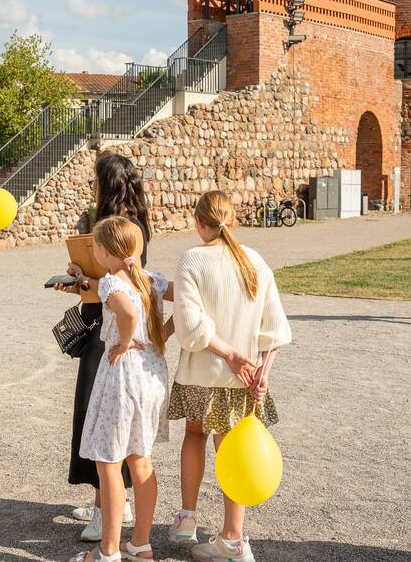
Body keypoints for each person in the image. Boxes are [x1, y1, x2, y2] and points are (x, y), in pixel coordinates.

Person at [167, 190, 291, 562]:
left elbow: (190, 326)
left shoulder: (193, 259)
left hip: (202, 371)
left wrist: (229, 353)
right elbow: (276, 326)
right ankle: (232, 536)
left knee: (195, 434)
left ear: (199, 223)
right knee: (232, 449)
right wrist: (261, 372)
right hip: (244, 378)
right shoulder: (255, 260)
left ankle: (191, 519)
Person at [52, 153, 148, 541]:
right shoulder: (119, 221)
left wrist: (84, 286)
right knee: (98, 416)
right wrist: (79, 276)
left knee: (103, 419)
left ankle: (106, 510)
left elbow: (127, 287)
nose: (91, 186)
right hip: (101, 323)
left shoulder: (125, 226)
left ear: (107, 182)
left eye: (95, 179)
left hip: (111, 337)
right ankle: (109, 502)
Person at [69, 216, 170, 562]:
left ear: (104, 252)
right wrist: (164, 333)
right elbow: (190, 300)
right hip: (152, 375)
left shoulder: (112, 282)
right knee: (140, 459)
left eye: (95, 246)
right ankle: (141, 543)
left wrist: (126, 341)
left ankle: (108, 551)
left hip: (123, 377)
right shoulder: (152, 279)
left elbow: (126, 311)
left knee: (108, 462)